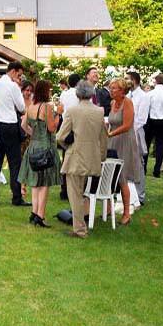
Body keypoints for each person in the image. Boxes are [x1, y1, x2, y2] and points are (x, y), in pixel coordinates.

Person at [57, 80, 108, 239]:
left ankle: (79, 229)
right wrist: (101, 156)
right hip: (92, 157)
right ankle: (81, 225)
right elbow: (103, 138)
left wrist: (68, 147)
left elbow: (60, 137)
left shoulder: (72, 111)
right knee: (83, 193)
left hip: (76, 157)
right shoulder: (99, 111)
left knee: (75, 194)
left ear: (78, 94)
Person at [19, 80, 63, 228]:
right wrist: (59, 115)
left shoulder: (31, 106)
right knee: (44, 183)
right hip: (46, 148)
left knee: (35, 183)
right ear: (46, 91)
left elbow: (23, 125)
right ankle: (40, 216)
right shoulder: (47, 107)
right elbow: (51, 128)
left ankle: (34, 213)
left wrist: (34, 135)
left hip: (33, 146)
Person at [0, 61, 28, 206]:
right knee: (14, 164)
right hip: (10, 125)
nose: (20, 76)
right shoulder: (13, 86)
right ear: (14, 71)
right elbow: (22, 107)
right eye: (19, 73)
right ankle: (16, 197)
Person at [107, 78, 143, 225]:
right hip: (113, 141)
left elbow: (127, 125)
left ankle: (127, 212)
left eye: (114, 88)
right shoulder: (112, 103)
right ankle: (109, 208)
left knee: (122, 178)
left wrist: (110, 134)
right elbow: (111, 122)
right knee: (109, 174)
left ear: (122, 91)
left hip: (125, 142)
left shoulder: (127, 103)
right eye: (110, 88)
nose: (111, 90)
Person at [146, 73, 163, 179]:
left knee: (147, 144)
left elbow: (147, 108)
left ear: (156, 81)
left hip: (151, 120)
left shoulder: (150, 94)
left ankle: (143, 167)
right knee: (160, 145)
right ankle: (156, 170)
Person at [127, 71, 149, 204]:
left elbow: (142, 119)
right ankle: (131, 194)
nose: (125, 81)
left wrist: (130, 129)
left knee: (139, 164)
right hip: (126, 132)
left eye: (127, 79)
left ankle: (140, 196)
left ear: (134, 80)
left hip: (136, 132)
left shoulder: (143, 96)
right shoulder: (128, 95)